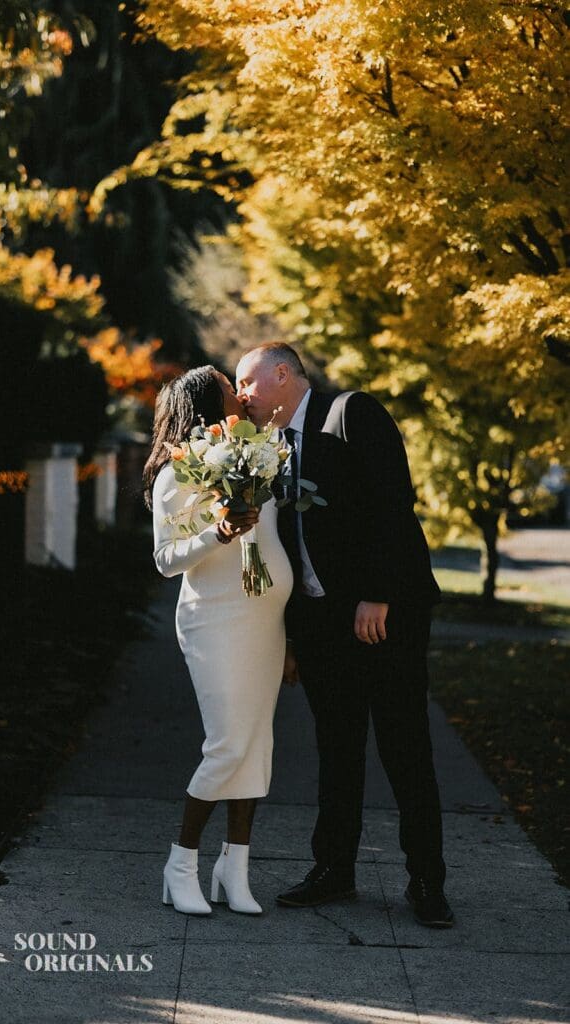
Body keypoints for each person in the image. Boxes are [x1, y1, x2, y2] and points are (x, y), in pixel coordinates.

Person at [234, 342, 454, 928]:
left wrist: (378, 594)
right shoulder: (268, 446)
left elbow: (393, 503)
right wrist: (289, 637)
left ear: (283, 374)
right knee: (336, 749)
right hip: (320, 625)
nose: (242, 394)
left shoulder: (351, 412)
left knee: (404, 747)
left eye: (247, 382)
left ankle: (427, 882)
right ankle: (334, 869)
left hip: (385, 616)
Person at [142, 365, 296, 916]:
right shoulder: (177, 475)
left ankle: (234, 869)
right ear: (208, 405)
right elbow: (166, 560)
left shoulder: (258, 454)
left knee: (257, 746)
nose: (241, 394)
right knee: (228, 744)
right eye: (232, 389)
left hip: (264, 621)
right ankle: (181, 864)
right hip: (214, 620)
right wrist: (219, 532)